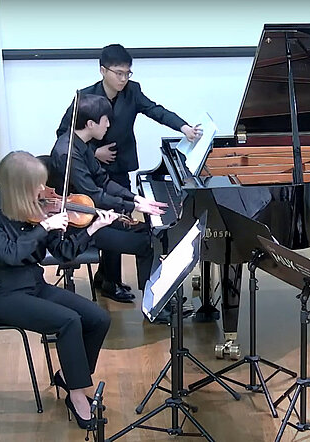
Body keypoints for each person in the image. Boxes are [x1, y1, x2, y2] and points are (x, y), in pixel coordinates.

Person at [0, 151, 118, 429]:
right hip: (6, 295)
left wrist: (93, 229)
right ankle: (77, 395)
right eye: (36, 184)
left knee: (98, 318)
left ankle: (69, 376)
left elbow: (64, 252)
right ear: (18, 187)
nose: (43, 189)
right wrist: (43, 227)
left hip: (35, 284)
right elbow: (10, 254)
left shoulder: (37, 207)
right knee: (69, 321)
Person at [56, 44, 201, 296]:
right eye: (118, 73)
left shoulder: (132, 91)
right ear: (103, 71)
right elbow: (64, 133)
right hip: (90, 169)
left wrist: (183, 127)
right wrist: (94, 152)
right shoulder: (85, 97)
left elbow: (156, 110)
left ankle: (107, 278)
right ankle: (111, 283)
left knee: (120, 219)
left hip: (118, 167)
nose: (123, 79)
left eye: (127, 73)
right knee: (109, 221)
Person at [50, 93, 166, 303]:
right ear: (90, 124)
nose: (109, 125)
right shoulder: (68, 153)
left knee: (148, 231)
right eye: (106, 120)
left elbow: (103, 180)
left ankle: (156, 298)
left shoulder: (81, 144)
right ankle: (155, 305)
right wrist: (132, 206)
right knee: (147, 243)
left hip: (93, 215)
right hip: (79, 225)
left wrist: (136, 199)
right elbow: (95, 196)